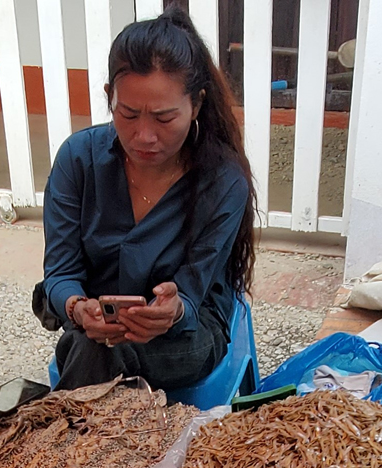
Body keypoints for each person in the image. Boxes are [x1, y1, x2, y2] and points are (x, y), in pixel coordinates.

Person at [41, 8, 257, 391]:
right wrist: (77, 307)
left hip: (185, 336)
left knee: (92, 353)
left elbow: (192, 294)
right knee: (91, 346)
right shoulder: (78, 160)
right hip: (96, 331)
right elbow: (60, 273)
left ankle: (61, 424)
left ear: (196, 105)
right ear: (109, 97)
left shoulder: (223, 181)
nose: (144, 136)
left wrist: (174, 309)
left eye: (164, 118)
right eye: (128, 114)